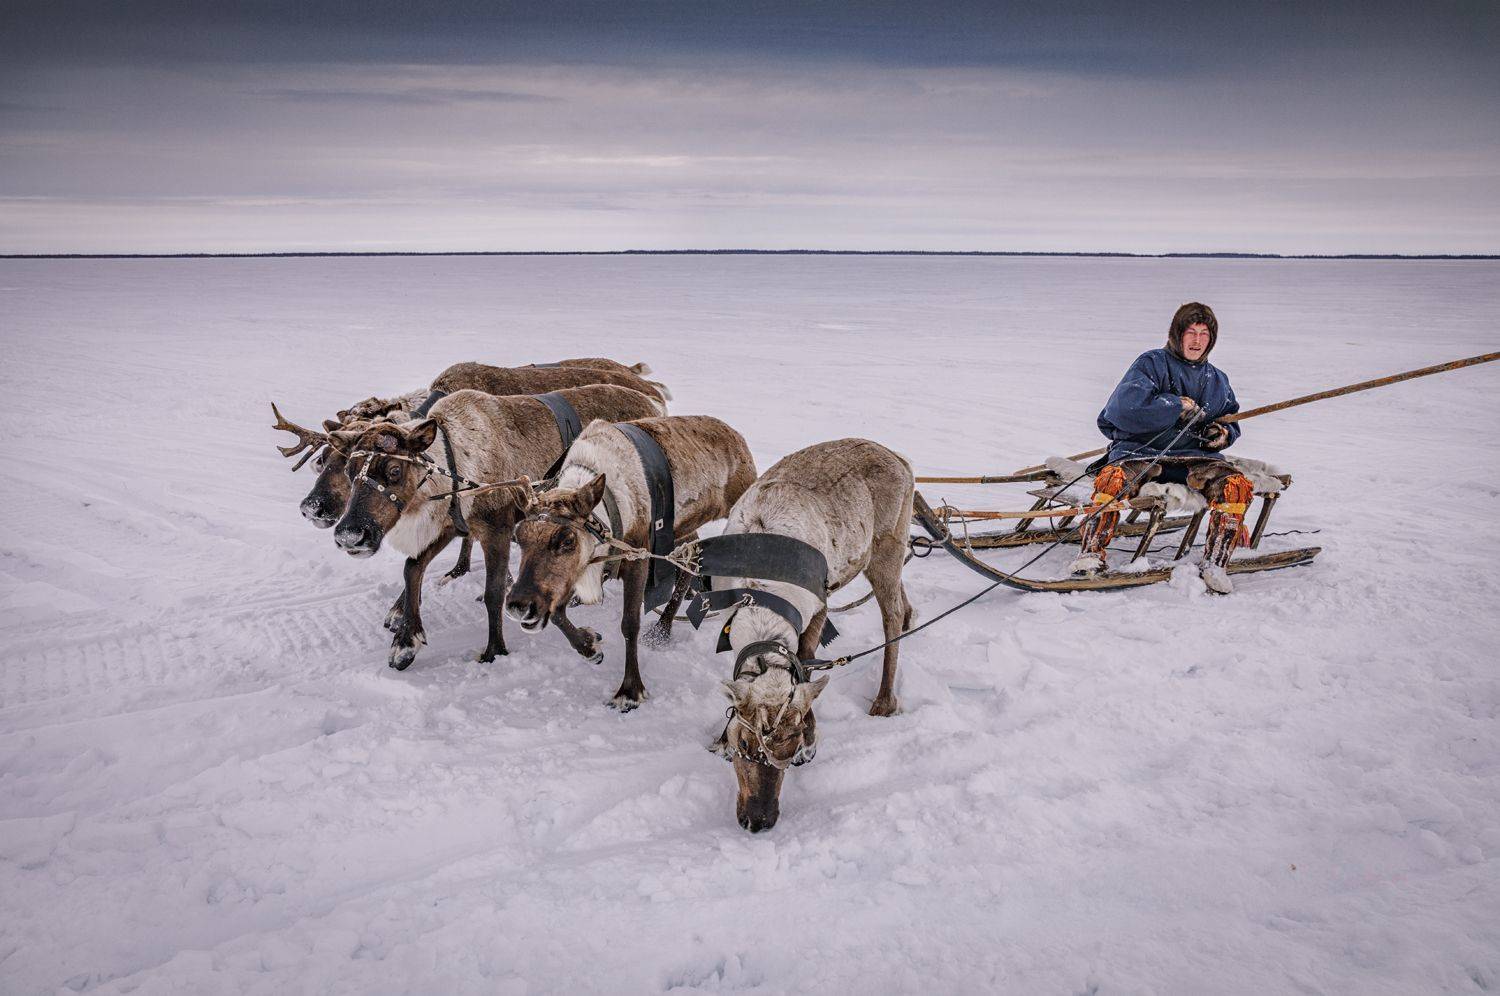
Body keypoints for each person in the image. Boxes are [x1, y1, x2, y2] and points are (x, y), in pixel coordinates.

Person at [1069, 302, 1255, 593]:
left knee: (1236, 485)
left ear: (1212, 338)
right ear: (1176, 335)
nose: (1196, 340)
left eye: (1204, 334)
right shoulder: (1151, 363)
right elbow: (1120, 410)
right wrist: (1172, 404)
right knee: (1111, 479)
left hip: (1197, 458)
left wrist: (1222, 433)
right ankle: (1091, 553)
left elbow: (1231, 420)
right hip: (1143, 452)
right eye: (1190, 332)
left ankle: (1216, 563)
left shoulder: (1218, 379)